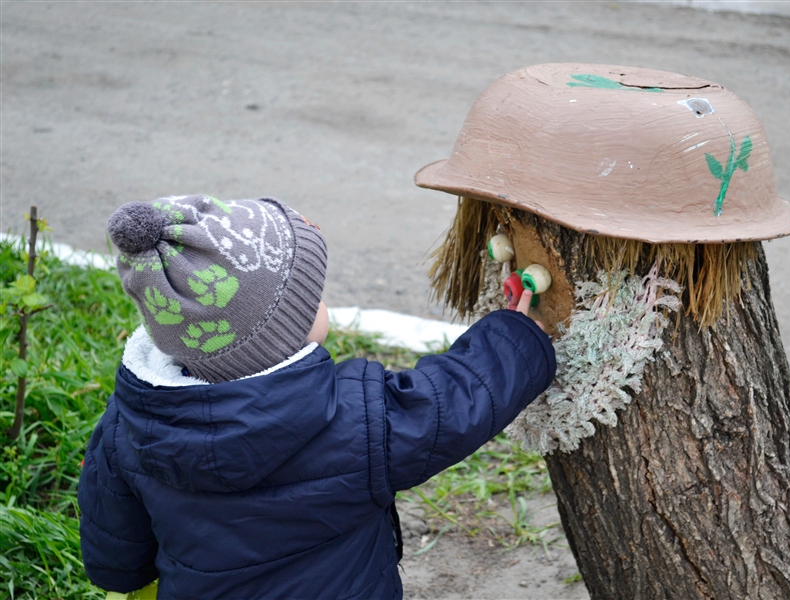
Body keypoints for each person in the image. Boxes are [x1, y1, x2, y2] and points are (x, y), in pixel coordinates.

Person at [78, 195, 556, 599]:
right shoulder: (353, 419)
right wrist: (516, 336)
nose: (322, 301)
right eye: (312, 298)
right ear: (280, 335)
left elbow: (115, 557)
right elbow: (451, 402)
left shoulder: (129, 427)